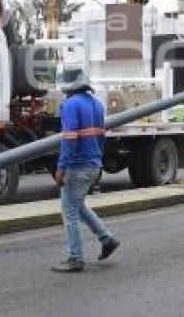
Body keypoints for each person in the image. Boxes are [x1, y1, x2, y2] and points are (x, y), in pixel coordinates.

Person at [52, 77, 120, 272]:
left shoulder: (71, 104)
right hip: (93, 163)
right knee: (78, 205)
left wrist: (61, 167)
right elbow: (101, 136)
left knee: (70, 211)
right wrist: (97, 160)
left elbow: (69, 138)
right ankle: (107, 239)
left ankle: (75, 258)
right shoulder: (97, 104)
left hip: (77, 166)